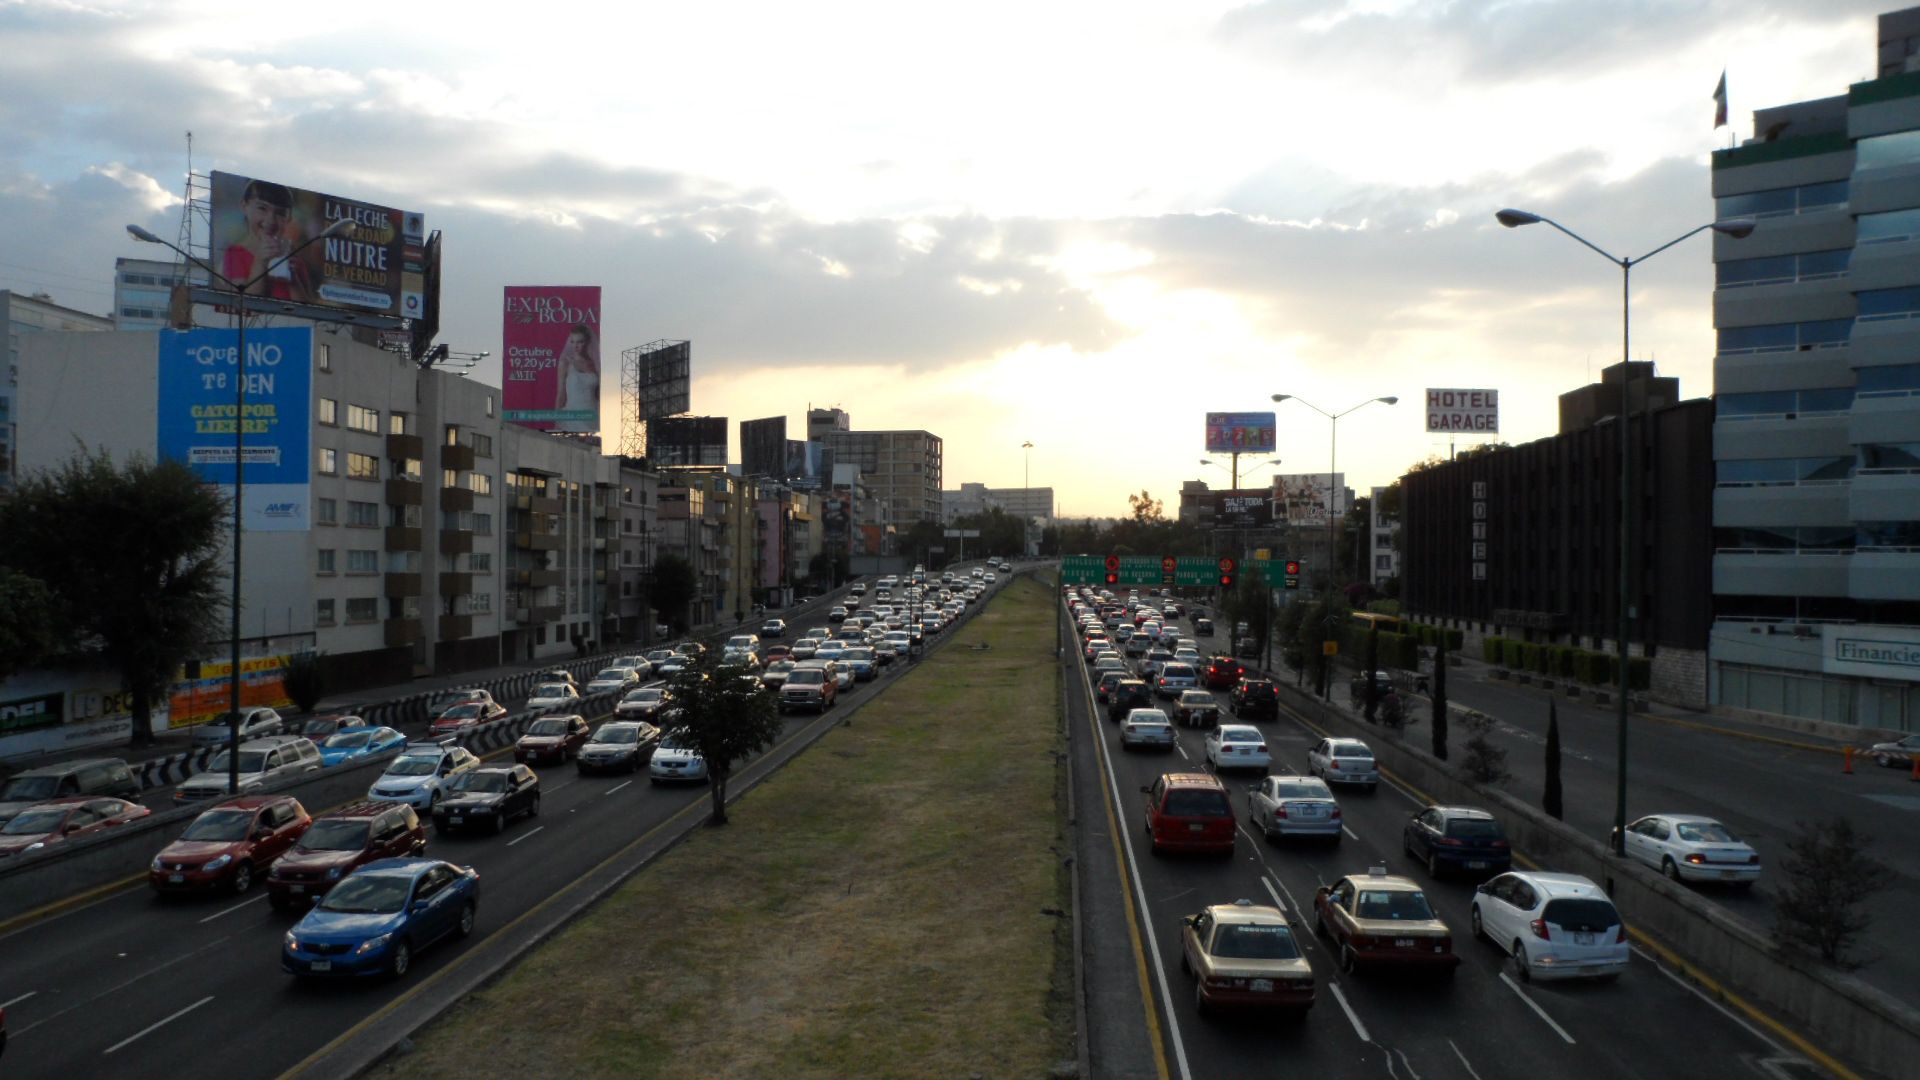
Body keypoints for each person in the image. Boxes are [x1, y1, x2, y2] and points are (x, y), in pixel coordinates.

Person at [222, 179, 309, 300]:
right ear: (244, 206)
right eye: (262, 208)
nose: (271, 220)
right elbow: (241, 305)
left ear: (288, 218)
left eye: (280, 213)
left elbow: (306, 313)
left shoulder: (296, 262)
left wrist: (293, 279)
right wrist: (260, 262)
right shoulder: (235, 254)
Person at [551, 324, 600, 432]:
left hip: (591, 413)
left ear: (587, 342)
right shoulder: (566, 363)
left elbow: (598, 394)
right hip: (572, 415)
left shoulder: (594, 364)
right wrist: (557, 419)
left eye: (580, 342)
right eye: (573, 342)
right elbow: (561, 394)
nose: (575, 346)